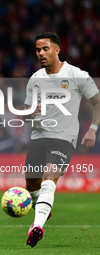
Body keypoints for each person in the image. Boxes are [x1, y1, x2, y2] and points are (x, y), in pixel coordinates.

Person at [23, 32, 100, 248]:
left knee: (50, 175)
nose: (40, 53)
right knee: (31, 185)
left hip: (63, 138)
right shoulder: (35, 78)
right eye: (38, 49)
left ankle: (37, 226)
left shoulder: (76, 74)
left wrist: (92, 129)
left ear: (57, 49)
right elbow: (25, 114)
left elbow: (98, 102)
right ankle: (42, 213)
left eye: (45, 48)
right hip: (38, 137)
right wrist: (30, 112)